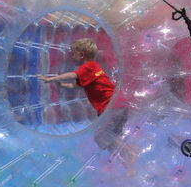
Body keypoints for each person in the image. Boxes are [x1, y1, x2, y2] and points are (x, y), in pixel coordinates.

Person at [37, 38, 137, 173]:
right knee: (108, 139)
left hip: (112, 107)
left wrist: (50, 79)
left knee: (101, 137)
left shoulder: (89, 66)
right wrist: (60, 85)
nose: (72, 57)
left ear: (81, 54)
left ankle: (130, 151)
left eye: (74, 54)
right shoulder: (92, 71)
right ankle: (129, 166)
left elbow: (72, 75)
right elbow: (76, 86)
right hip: (119, 106)